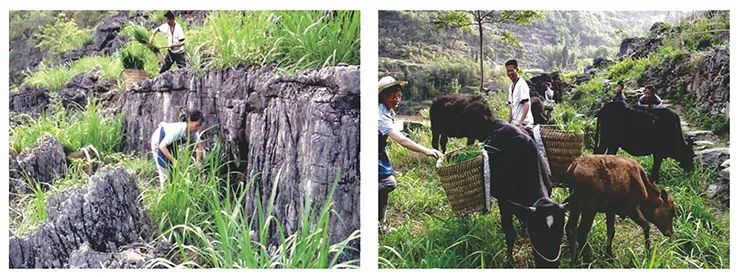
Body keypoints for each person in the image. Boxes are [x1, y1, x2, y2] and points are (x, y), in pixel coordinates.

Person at [378, 76, 442, 233]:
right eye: (393, 96)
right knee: (388, 183)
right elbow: (401, 140)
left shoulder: (386, 111)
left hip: (379, 152)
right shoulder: (379, 113)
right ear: (384, 96)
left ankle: (380, 225)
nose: (397, 99)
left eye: (399, 95)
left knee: (384, 186)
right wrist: (426, 151)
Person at [151, 110, 205, 187]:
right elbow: (162, 146)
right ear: (189, 121)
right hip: (160, 140)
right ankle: (164, 192)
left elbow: (198, 145)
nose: (198, 128)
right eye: (197, 125)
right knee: (164, 169)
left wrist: (199, 161)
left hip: (171, 144)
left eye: (200, 126)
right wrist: (174, 160)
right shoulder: (178, 130)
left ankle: (174, 191)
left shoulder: (193, 132)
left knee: (174, 171)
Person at [505, 60, 533, 128]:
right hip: (515, 123)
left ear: (517, 70)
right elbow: (511, 107)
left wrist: (521, 122)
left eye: (512, 70)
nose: (510, 73)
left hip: (524, 124)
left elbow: (526, 104)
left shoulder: (521, 84)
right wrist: (507, 123)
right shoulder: (511, 86)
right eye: (508, 71)